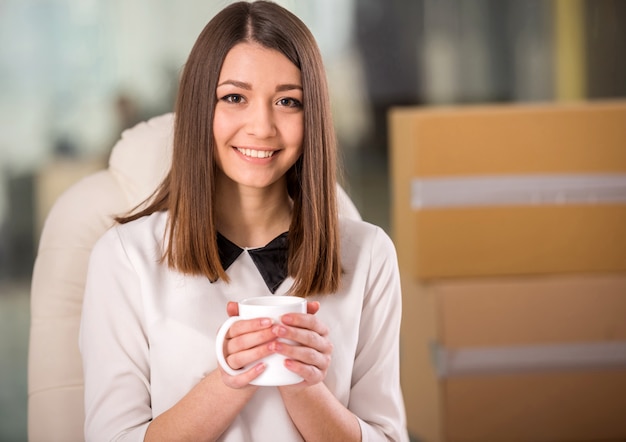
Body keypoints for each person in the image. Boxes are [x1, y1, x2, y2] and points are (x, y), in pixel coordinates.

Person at [79, 1, 408, 441]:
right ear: (200, 108)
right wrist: (230, 379)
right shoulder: (124, 258)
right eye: (235, 97)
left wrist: (305, 386)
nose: (262, 126)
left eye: (288, 101)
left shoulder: (370, 255)